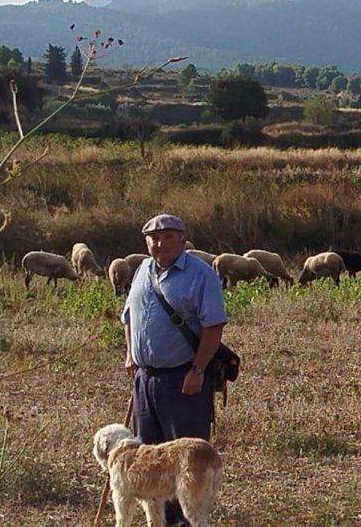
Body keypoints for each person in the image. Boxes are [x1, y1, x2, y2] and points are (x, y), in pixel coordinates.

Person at [122, 213, 227, 525]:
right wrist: (131, 354)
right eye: (154, 237)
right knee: (151, 461)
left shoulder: (200, 274)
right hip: (144, 379)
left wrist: (197, 370)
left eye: (168, 236)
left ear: (182, 239)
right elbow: (129, 316)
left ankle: (186, 521)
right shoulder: (142, 270)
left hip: (183, 379)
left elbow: (213, 326)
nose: (160, 242)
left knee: (185, 461)